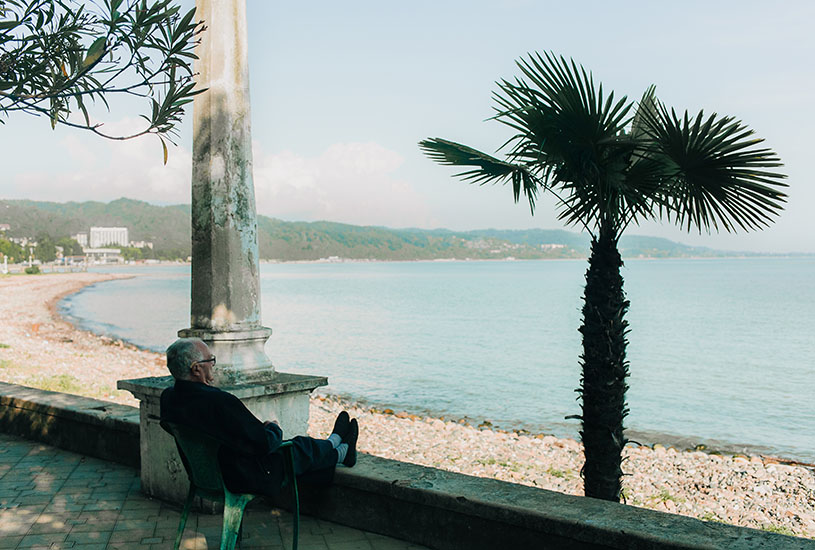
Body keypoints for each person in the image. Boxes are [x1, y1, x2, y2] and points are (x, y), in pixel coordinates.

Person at [160, 337, 358, 496]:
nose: (213, 365)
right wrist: (273, 427)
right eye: (210, 360)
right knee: (298, 447)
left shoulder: (169, 397)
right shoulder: (219, 401)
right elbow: (263, 444)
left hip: (203, 476)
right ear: (196, 369)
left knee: (298, 451)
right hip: (240, 477)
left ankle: (337, 446)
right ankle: (338, 448)